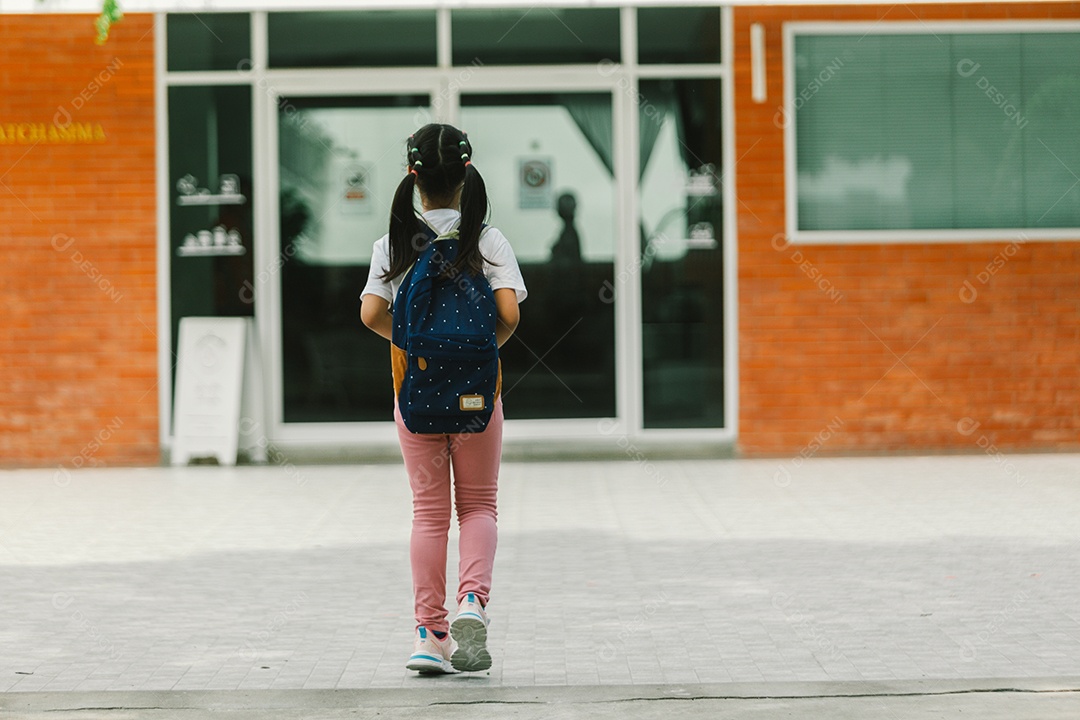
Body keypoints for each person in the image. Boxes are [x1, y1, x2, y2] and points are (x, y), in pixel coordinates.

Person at [359, 123, 527, 674]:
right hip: (479, 397)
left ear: (414, 178)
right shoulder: (488, 241)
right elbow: (509, 316)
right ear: (465, 174)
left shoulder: (393, 244)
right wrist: (475, 354)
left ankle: (429, 636)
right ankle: (472, 602)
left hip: (416, 397)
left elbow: (370, 313)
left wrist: (417, 346)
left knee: (428, 515)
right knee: (478, 506)